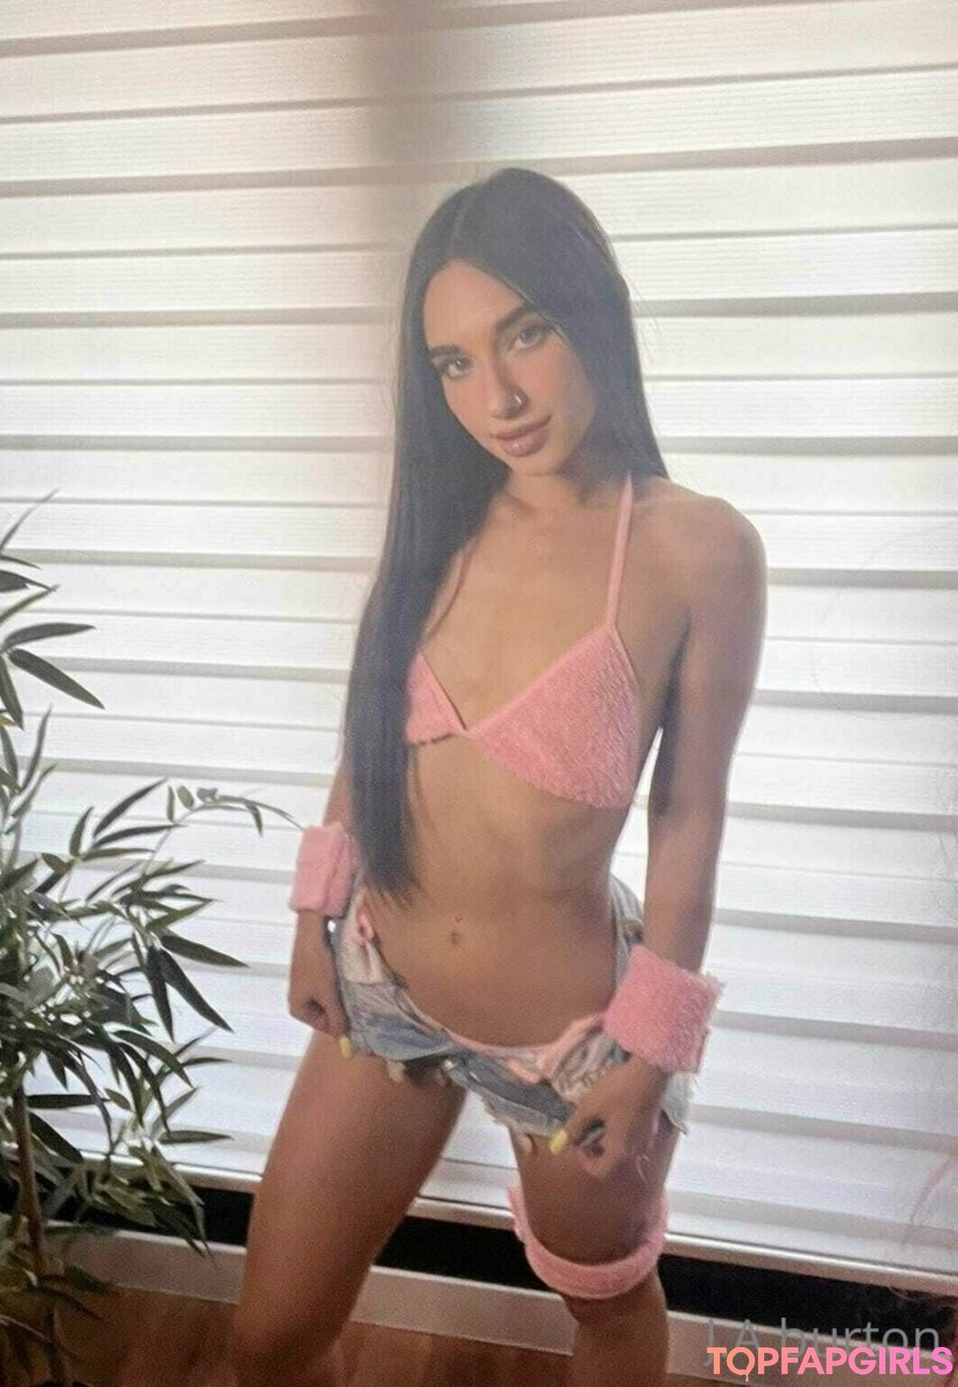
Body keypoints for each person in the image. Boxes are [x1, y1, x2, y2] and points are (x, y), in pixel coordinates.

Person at [232, 167, 767, 1387]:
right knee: (267, 1340)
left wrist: (649, 1052)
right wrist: (316, 912)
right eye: (455, 362)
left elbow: (689, 816)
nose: (499, 396)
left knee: (607, 1307)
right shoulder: (444, 515)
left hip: (569, 1044)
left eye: (524, 333)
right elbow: (370, 725)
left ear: (593, 312)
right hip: (383, 980)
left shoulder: (698, 550)